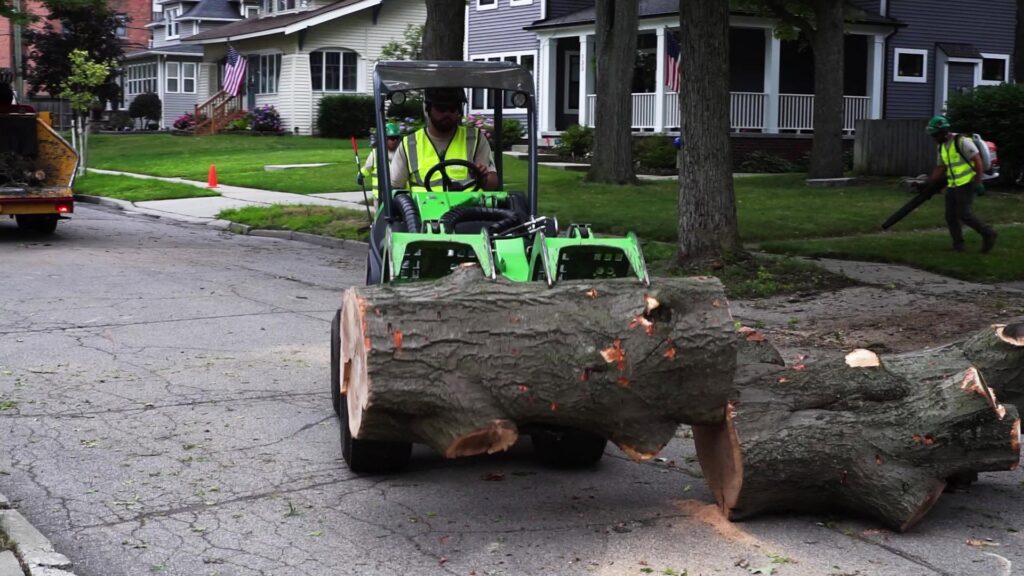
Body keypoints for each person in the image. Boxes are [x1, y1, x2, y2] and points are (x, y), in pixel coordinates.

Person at [390, 87, 498, 191]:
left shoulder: (474, 138)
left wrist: (482, 178)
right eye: (441, 109)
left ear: (459, 110)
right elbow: (394, 186)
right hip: (424, 204)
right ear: (428, 109)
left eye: (452, 109)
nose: (447, 114)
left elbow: (492, 184)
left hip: (469, 203)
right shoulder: (410, 143)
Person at [922, 115, 997, 253]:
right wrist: (928, 182)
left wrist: (979, 182)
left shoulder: (962, 141)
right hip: (953, 184)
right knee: (950, 216)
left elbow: (978, 161)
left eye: (935, 134)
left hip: (967, 182)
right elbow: (941, 167)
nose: (934, 138)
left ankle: (988, 233)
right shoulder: (942, 146)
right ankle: (958, 246)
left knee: (964, 214)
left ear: (943, 131)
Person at [358, 121, 402, 206]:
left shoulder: (402, 153)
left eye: (397, 138)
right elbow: (367, 167)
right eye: (392, 138)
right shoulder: (376, 154)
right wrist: (361, 175)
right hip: (380, 196)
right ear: (384, 139)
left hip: (398, 195)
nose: (395, 141)